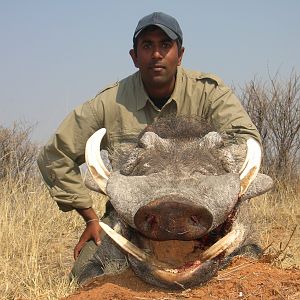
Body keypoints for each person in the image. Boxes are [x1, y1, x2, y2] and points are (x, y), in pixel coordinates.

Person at [37, 11, 261, 276]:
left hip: (207, 219)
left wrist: (217, 170)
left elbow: (246, 141)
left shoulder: (209, 93)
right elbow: (54, 156)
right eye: (147, 46)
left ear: (180, 55)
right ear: (134, 57)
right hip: (133, 221)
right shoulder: (110, 102)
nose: (157, 54)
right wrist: (91, 217)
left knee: (249, 262)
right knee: (85, 272)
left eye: (165, 45)